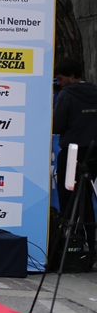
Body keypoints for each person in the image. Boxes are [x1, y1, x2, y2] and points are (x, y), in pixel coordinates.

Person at [52, 58, 97, 265]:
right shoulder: (94, 91)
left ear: (71, 76)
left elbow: (57, 126)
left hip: (72, 153)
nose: (59, 83)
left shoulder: (66, 95)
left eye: (61, 79)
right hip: (93, 153)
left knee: (68, 197)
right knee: (85, 196)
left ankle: (68, 241)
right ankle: (90, 242)